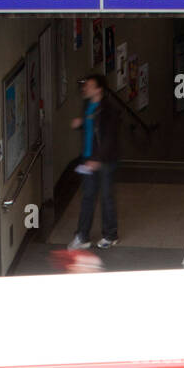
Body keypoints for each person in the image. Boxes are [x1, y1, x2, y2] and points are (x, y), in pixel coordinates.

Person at [68, 73, 121, 250]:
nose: (85, 88)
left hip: (105, 161)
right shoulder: (87, 105)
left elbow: (109, 138)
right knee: (88, 197)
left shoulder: (109, 110)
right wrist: (81, 123)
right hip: (88, 157)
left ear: (99, 89)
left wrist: (98, 159)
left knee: (106, 197)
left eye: (89, 86)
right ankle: (82, 236)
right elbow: (92, 128)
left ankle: (110, 235)